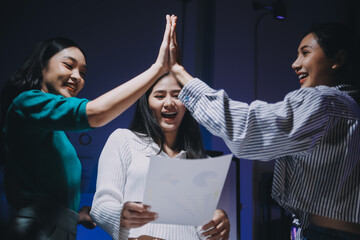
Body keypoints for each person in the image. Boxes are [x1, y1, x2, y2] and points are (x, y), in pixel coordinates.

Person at [169, 18, 360, 240]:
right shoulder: (350, 106)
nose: (295, 64)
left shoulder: (324, 102)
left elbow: (246, 130)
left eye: (305, 53)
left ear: (337, 60)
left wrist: (179, 72)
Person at [0, 14, 174, 240]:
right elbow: (97, 113)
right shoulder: (27, 103)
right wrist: (158, 69)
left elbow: (46, 194)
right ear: (43, 67)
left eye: (82, 72)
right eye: (68, 65)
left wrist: (76, 216)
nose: (77, 77)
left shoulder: (54, 129)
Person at [90, 73, 231, 240]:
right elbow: (99, 207)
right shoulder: (124, 140)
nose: (169, 103)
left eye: (177, 96)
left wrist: (217, 223)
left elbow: (202, 231)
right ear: (147, 103)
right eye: (159, 96)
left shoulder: (202, 161)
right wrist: (121, 213)